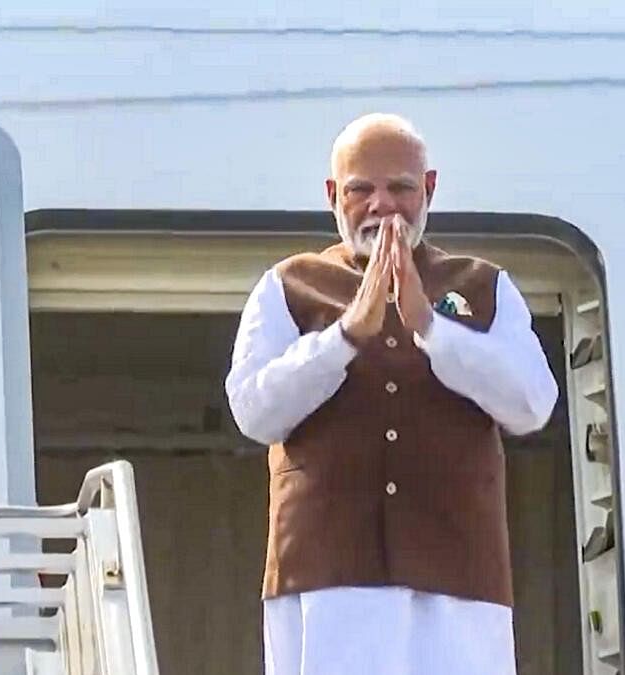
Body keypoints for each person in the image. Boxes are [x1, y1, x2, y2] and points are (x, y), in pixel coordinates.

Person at [224, 112, 559, 675]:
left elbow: (532, 405)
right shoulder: (290, 284)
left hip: (457, 579)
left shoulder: (482, 285)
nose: (383, 207)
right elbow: (254, 410)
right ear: (334, 195)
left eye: (400, 188)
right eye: (362, 190)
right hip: (328, 576)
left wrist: (430, 325)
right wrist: (346, 334)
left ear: (428, 189)